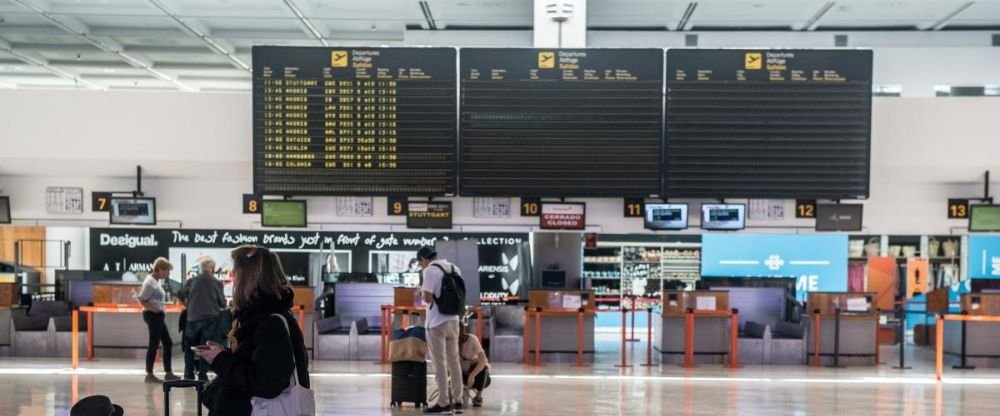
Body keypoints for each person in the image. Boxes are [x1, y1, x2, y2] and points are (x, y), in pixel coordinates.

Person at [194, 245, 310, 416]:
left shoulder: (270, 323)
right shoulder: (260, 316)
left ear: (248, 279)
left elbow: (267, 383)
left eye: (237, 274)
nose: (234, 281)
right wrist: (221, 354)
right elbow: (257, 362)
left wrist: (222, 360)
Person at [417, 246, 465, 414]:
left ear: (424, 259)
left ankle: (443, 403)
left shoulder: (430, 271)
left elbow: (428, 298)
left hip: (437, 323)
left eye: (420, 263)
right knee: (454, 361)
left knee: (440, 364)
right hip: (454, 320)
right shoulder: (454, 268)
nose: (421, 266)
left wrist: (421, 292)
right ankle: (458, 402)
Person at [177, 255, 227, 381]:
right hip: (210, 320)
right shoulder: (216, 282)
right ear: (212, 268)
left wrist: (187, 304)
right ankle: (202, 376)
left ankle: (188, 375)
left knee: (189, 348)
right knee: (205, 348)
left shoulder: (192, 281)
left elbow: (180, 293)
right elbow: (222, 303)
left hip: (192, 319)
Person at [137, 257, 179, 383]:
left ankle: (168, 372)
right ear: (160, 269)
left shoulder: (155, 281)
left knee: (167, 342)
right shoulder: (150, 282)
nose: (168, 274)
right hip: (153, 315)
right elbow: (142, 299)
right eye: (167, 271)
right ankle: (149, 374)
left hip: (157, 315)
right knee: (154, 344)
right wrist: (155, 310)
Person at [459, 321, 490, 408]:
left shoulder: (472, 339)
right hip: (459, 372)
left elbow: (483, 360)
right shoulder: (450, 341)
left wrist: (472, 375)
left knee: (483, 368)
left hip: (473, 373)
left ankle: (478, 397)